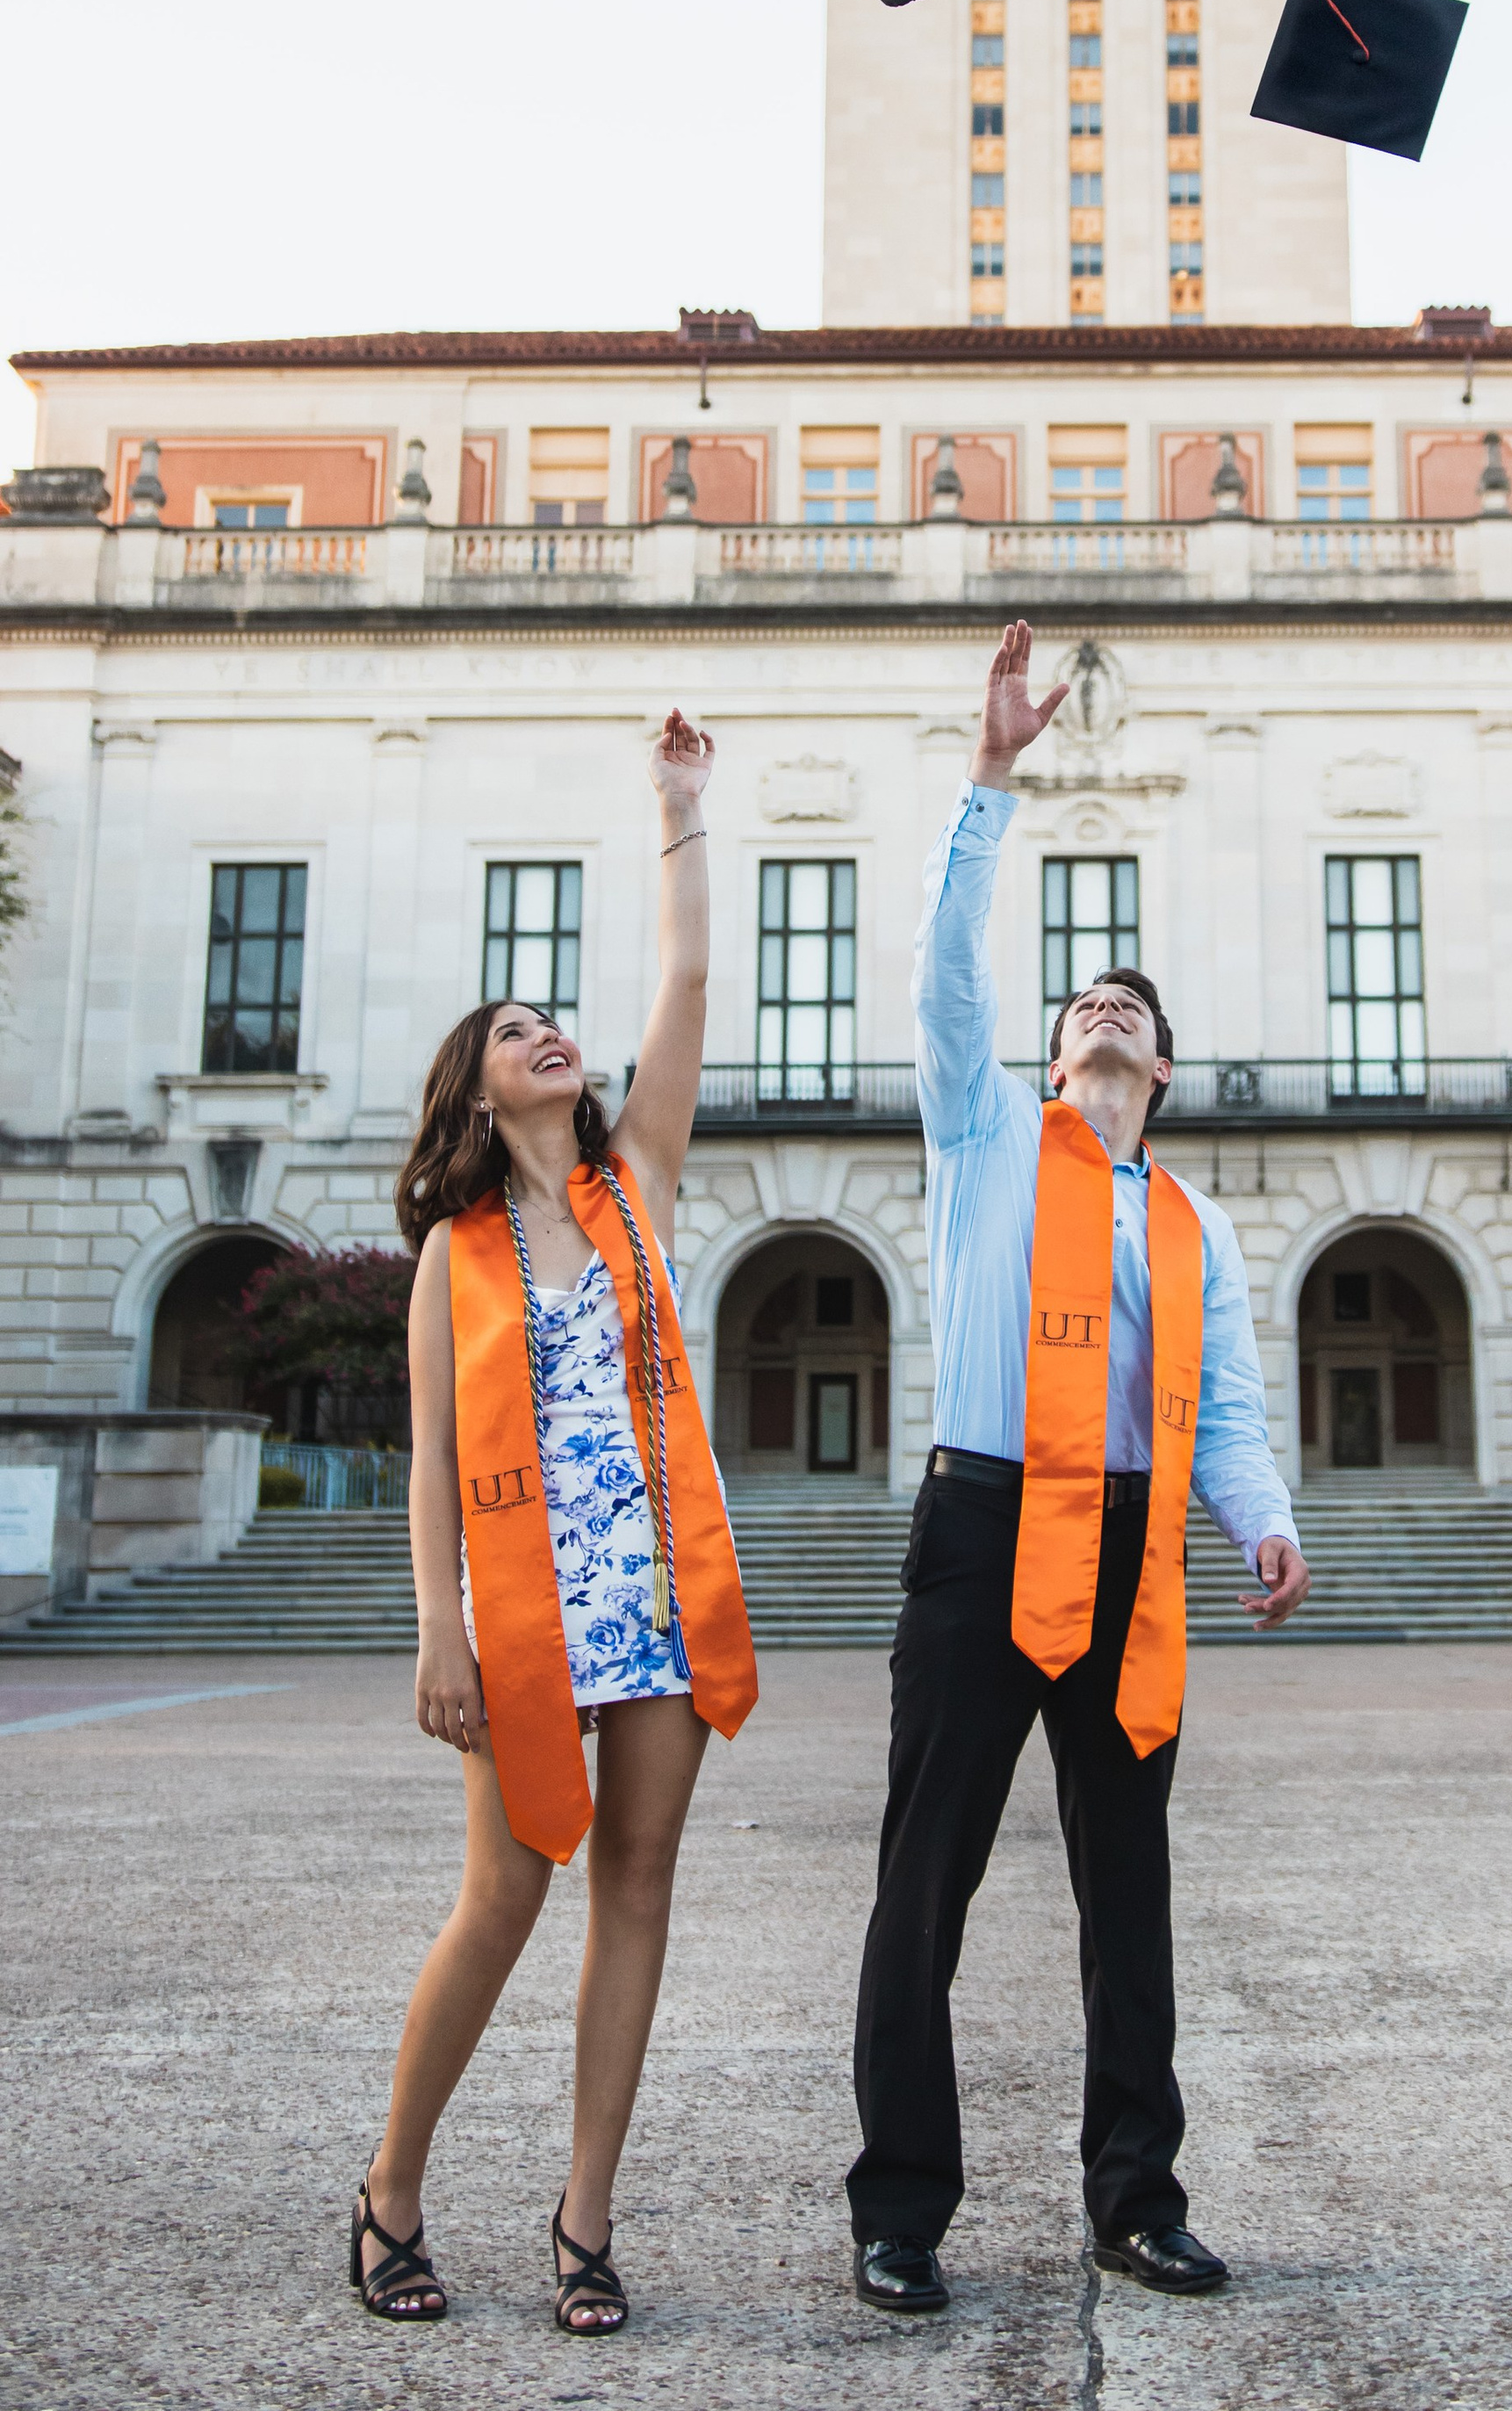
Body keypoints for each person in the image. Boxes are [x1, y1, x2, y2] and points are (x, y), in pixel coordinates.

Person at [847, 622, 1311, 2314]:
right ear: (1052, 1061)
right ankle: (902, 2207)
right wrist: (990, 781)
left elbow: (1237, 1408)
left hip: (1132, 1555)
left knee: (1133, 1893)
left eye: (1135, 1010)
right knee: (929, 1879)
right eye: (1084, 1007)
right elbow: (943, 980)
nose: (1106, 1011)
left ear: (1163, 1073)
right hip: (984, 1531)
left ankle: (1137, 2193)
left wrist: (1260, 1525)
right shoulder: (982, 1142)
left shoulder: (1194, 1221)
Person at [350, 711, 757, 2335]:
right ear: (476, 1080)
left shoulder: (634, 1180)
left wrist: (677, 812)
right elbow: (431, 1465)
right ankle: (389, 2189)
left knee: (638, 1889)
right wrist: (438, 1627)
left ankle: (586, 2221)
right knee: (503, 1898)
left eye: (554, 1021)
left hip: (655, 1592)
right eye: (519, 1028)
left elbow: (687, 992)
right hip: (522, 1604)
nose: (552, 1035)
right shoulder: (456, 1253)